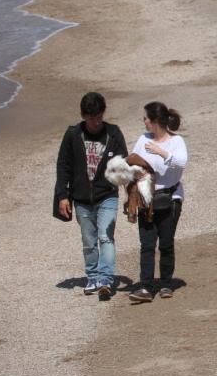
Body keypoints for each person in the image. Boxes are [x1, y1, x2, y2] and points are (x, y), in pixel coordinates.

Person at [54, 92, 128, 298]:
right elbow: (63, 166)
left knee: (106, 237)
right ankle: (92, 276)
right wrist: (62, 195)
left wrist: (128, 191)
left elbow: (123, 163)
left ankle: (105, 279)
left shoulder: (113, 133)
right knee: (88, 241)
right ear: (83, 116)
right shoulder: (73, 134)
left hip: (107, 195)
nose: (96, 122)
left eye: (99, 116)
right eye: (91, 118)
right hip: (81, 199)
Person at [128, 102, 188, 303]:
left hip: (170, 199)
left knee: (166, 243)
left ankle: (165, 283)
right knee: (146, 244)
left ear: (154, 122)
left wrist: (160, 151)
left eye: (145, 118)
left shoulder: (176, 141)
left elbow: (181, 162)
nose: (143, 122)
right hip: (146, 199)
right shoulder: (142, 139)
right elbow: (133, 162)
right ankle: (145, 286)